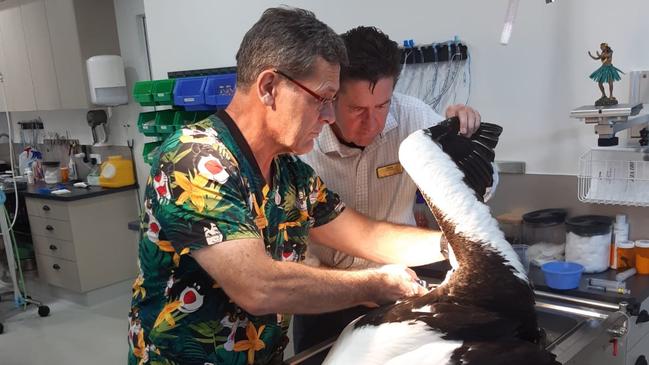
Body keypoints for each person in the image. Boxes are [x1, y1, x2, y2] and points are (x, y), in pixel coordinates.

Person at [128, 8, 450, 365]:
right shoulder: (194, 159)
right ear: (269, 87)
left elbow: (366, 235)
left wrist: (452, 245)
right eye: (322, 99)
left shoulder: (291, 175)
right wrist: (375, 283)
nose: (329, 117)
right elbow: (258, 286)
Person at [294, 26, 482, 363]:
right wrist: (359, 283)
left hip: (399, 294)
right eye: (357, 110)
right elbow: (293, 254)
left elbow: (475, 191)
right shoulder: (304, 148)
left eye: (381, 105)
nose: (372, 122)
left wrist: (464, 146)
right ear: (332, 96)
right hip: (323, 298)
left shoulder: (413, 117)